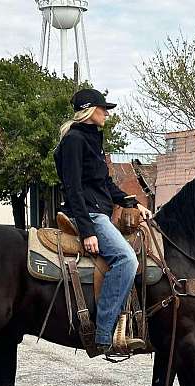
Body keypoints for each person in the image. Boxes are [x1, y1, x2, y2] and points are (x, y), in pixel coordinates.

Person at [54, 88, 153, 355]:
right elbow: (73, 188)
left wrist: (131, 202)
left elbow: (105, 184)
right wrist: (87, 231)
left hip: (99, 210)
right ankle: (104, 333)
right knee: (126, 259)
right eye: (103, 109)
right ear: (89, 110)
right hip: (88, 214)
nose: (107, 114)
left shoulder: (92, 140)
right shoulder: (74, 140)